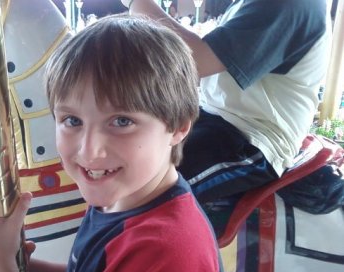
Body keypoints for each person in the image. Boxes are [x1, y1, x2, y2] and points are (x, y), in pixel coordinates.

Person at [0, 14, 224, 272]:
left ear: (178, 126)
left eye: (121, 121)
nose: (89, 151)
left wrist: (0, 269)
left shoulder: (166, 253)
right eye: (72, 121)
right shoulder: (122, 198)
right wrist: (20, 270)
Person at [122, 0, 331, 203]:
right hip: (213, 116)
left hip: (251, 136)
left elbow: (195, 61)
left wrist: (138, 3)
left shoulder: (286, 4)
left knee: (134, 187)